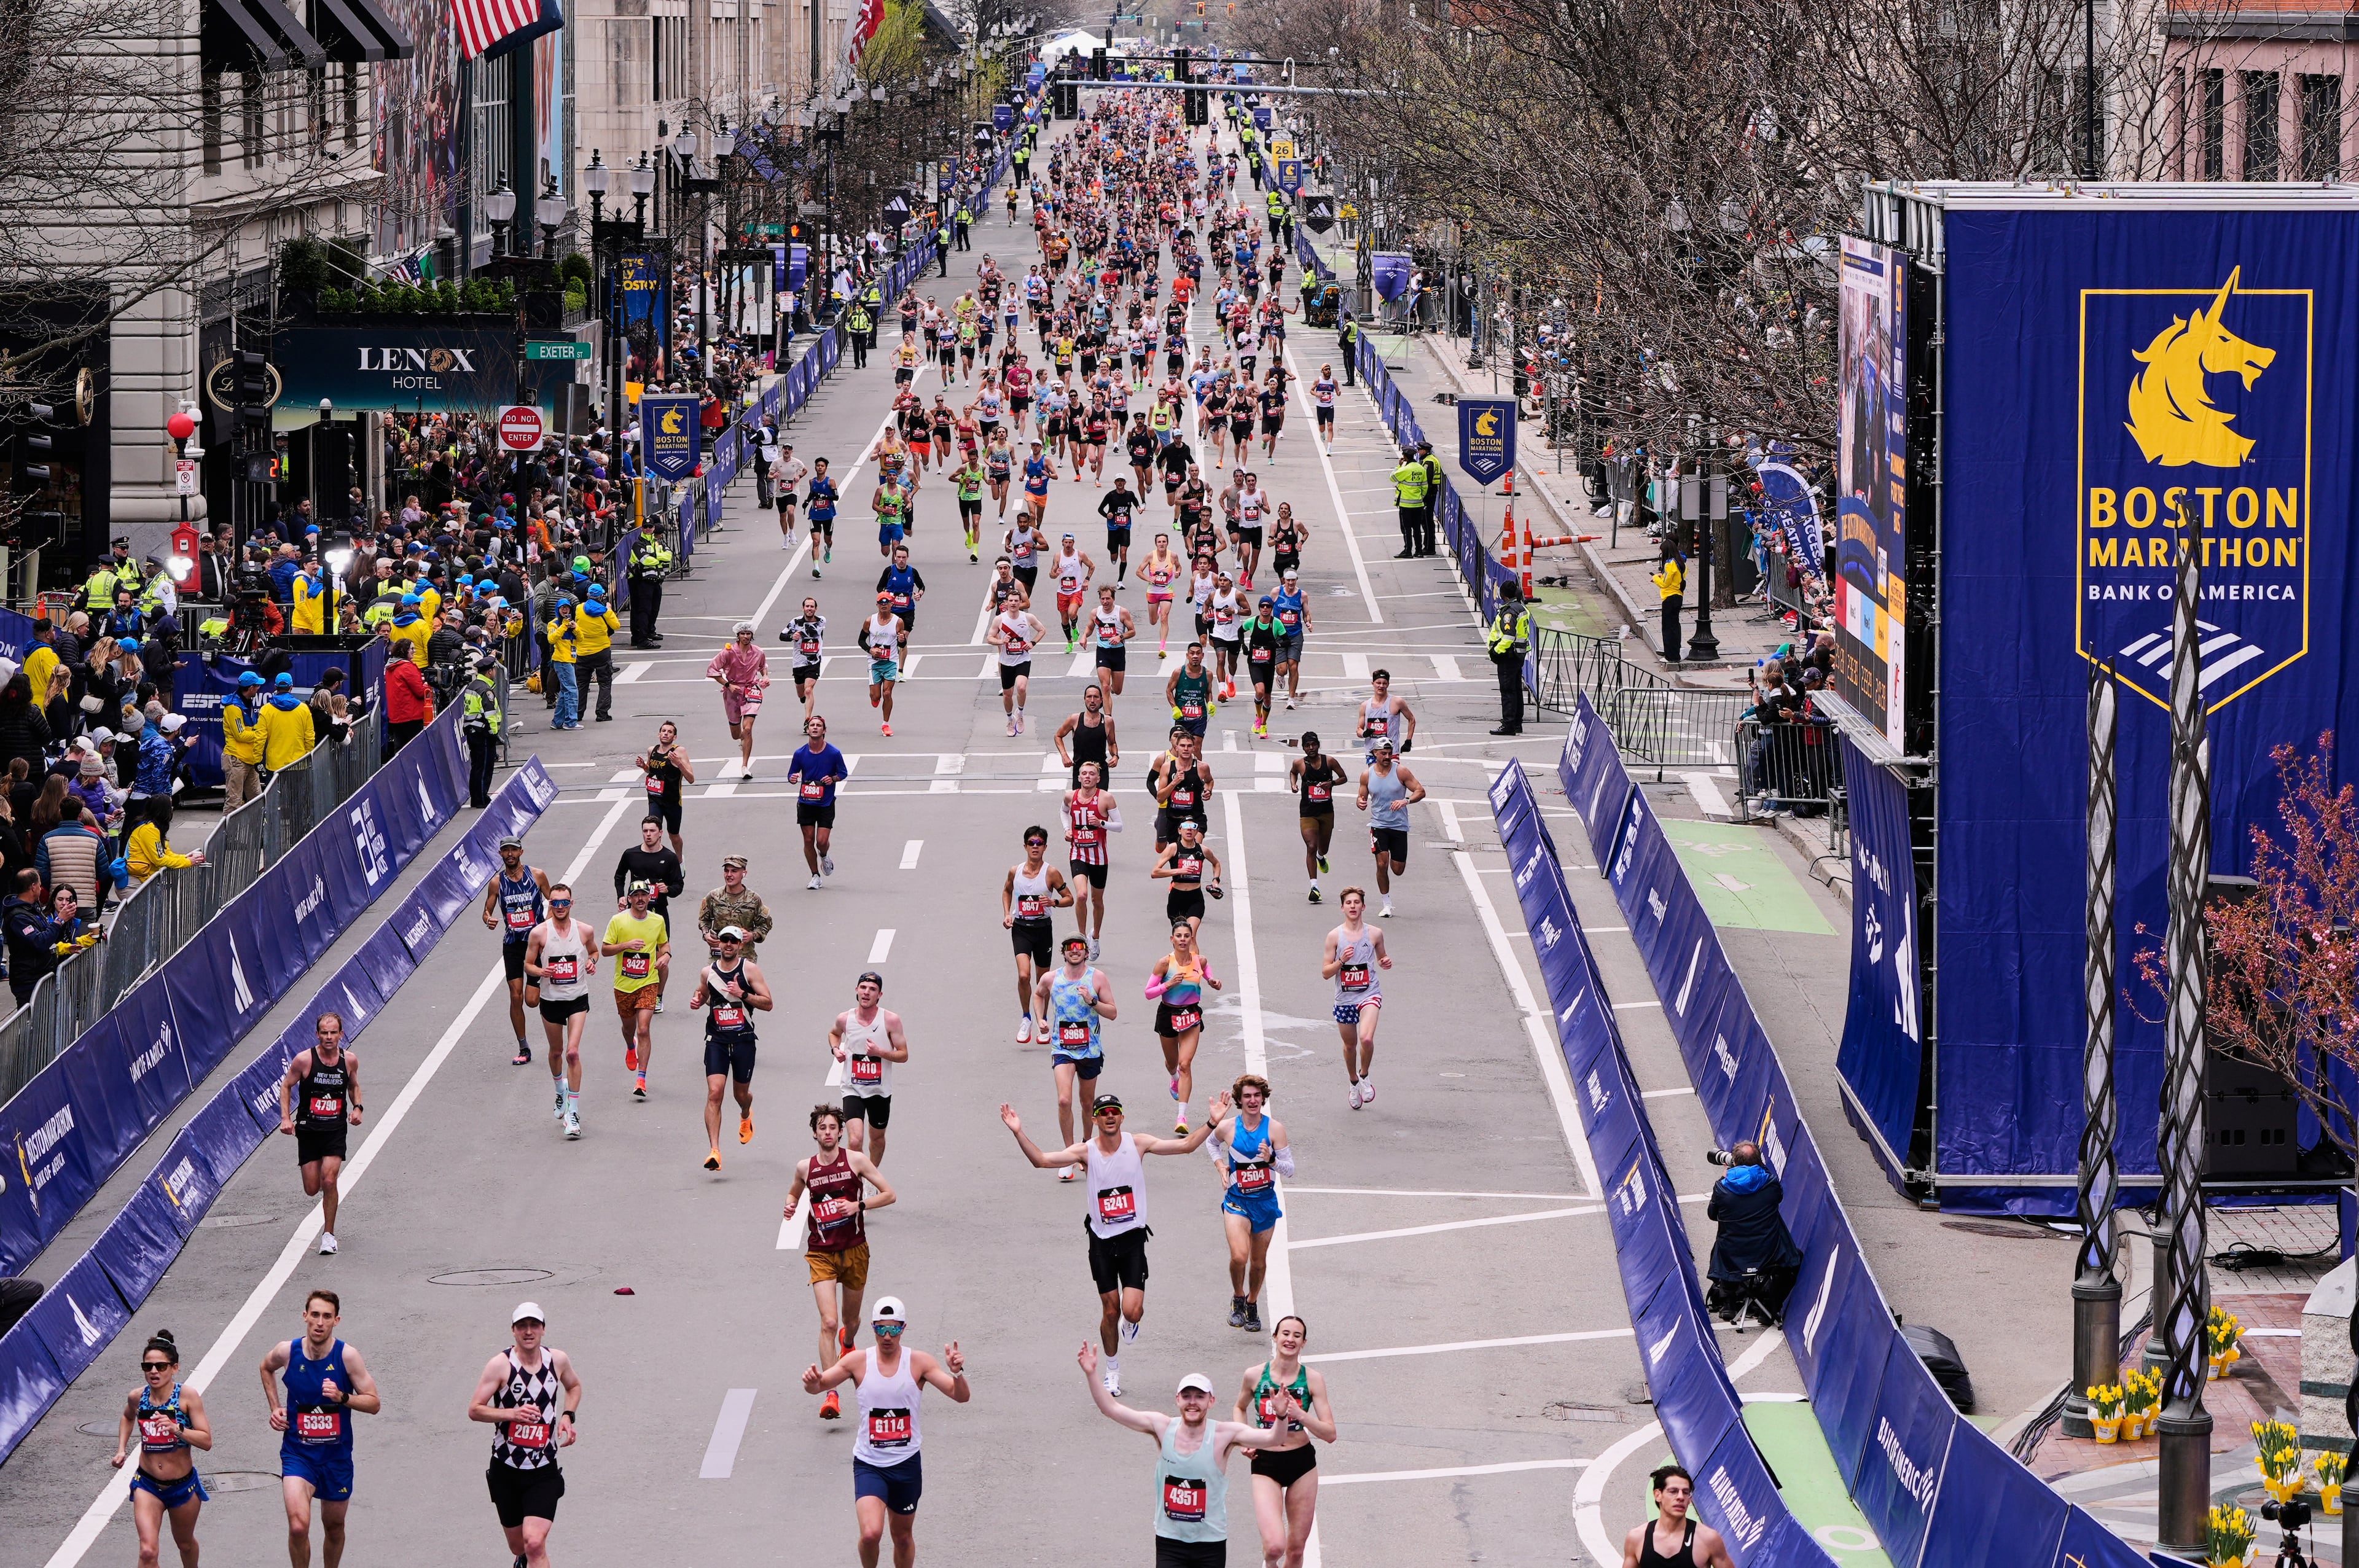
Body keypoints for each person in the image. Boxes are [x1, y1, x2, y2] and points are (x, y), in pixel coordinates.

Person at [1001, 1092, 1227, 1396]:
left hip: (1132, 1239)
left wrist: (1212, 1122)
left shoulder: (1139, 1144)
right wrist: (1018, 1132)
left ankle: (1130, 1324)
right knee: (1110, 1311)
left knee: (1131, 1311)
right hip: (1102, 1242)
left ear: (1122, 1117)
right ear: (1095, 1120)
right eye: (1103, 1113)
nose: (1109, 1116)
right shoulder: (1085, 1151)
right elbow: (1041, 1160)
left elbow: (1185, 1146)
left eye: (1114, 1112)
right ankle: (1112, 1371)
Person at [1078, 1346, 1294, 1567]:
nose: (1193, 1402)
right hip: (1170, 1541)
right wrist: (1091, 1373)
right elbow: (1111, 1409)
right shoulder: (1162, 1427)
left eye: (1200, 1397)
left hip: (1210, 1542)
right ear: (1178, 1400)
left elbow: (1274, 1438)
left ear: (1211, 1401)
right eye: (1187, 1396)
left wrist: (1281, 1415)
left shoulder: (1224, 1434)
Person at [800, 1298, 969, 1568]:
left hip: (906, 1465)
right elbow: (819, 1386)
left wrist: (957, 1374)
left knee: (902, 1538)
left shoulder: (919, 1363)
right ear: (872, 1328)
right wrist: (812, 1382)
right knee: (870, 1534)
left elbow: (960, 1396)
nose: (887, 1336)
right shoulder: (857, 1362)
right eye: (881, 1329)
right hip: (870, 1465)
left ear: (903, 1328)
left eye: (893, 1329)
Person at [786, 1105, 898, 1418]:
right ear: (815, 1133)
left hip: (854, 1250)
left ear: (839, 1133)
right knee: (829, 1322)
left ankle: (848, 1343)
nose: (828, 1133)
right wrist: (790, 1206)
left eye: (833, 1128)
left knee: (851, 1322)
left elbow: (890, 1194)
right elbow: (794, 1194)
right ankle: (831, 1393)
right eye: (822, 1128)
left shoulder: (855, 1161)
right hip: (821, 1253)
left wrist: (858, 1206)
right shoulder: (805, 1168)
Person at [261, 1289, 382, 1568]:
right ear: (305, 1316)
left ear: (336, 1321)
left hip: (336, 1458)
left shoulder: (347, 1356)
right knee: (298, 1527)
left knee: (334, 1526)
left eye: (327, 1317)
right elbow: (266, 1367)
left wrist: (343, 1397)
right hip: (298, 1454)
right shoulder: (287, 1351)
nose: (320, 1322)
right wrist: (275, 1407)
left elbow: (374, 1403)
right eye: (315, 1315)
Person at [467, 1303, 582, 1568]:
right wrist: (512, 1414)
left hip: (543, 1469)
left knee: (534, 1543)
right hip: (506, 1469)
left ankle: (530, 1556)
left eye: (534, 1326)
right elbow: (475, 1410)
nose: (528, 1331)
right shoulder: (501, 1365)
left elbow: (574, 1386)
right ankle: (522, 1559)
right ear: (513, 1331)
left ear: (543, 1329)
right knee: (519, 1545)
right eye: (522, 1326)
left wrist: (568, 1415)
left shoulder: (557, 1360)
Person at [1234, 1317, 1338, 1568]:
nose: (1290, 1339)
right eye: (1286, 1334)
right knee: (1274, 1548)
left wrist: (1301, 1415)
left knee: (1295, 1550)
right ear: (1275, 1337)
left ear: (1304, 1343)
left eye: (1297, 1336)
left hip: (1301, 1463)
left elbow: (1330, 1433)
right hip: (1265, 1461)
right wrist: (1244, 1438)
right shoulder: (1254, 1375)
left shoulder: (1312, 1380)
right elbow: (1239, 1407)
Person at [112, 1330, 212, 1568]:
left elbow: (206, 1441)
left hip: (182, 1487)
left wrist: (177, 1429)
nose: (154, 1372)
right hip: (147, 1484)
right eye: (148, 1367)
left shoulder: (187, 1397)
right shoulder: (137, 1397)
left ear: (175, 1368)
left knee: (185, 1544)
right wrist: (121, 1449)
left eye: (161, 1366)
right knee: (147, 1552)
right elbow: (127, 1417)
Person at [1208, 1074, 1294, 1332]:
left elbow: (1290, 1169)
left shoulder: (1275, 1129)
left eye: (1257, 1095)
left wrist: (1272, 1161)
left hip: (1265, 1203)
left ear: (1263, 1098)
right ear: (1239, 1100)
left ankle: (1252, 1303)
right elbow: (1211, 1144)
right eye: (1247, 1096)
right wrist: (1220, 1165)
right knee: (1239, 1256)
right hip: (1237, 1202)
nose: (1253, 1100)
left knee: (1258, 1262)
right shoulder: (1228, 1128)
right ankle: (1238, 1296)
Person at [278, 1012, 361, 1255]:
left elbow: (354, 1086)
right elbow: (286, 1086)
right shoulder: (304, 1060)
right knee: (312, 1188)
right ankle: (326, 1223)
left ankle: (329, 1236)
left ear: (341, 1034)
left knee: (329, 1180)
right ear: (317, 1034)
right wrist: (286, 1118)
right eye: (324, 1033)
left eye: (333, 1032)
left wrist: (358, 1108)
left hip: (335, 1130)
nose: (329, 1037)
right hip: (308, 1130)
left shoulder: (349, 1060)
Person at [690, 925, 773, 1171]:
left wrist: (742, 994)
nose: (728, 945)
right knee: (715, 1093)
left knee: (740, 1095)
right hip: (716, 1040)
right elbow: (703, 994)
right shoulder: (708, 972)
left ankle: (746, 1113)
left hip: (743, 1040)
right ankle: (714, 1151)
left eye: (733, 941)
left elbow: (768, 1003)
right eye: (724, 940)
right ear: (719, 943)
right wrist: (697, 1000)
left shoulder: (749, 970)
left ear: (740, 945)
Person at [523, 884, 598, 1140]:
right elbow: (528, 964)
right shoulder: (539, 933)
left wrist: (592, 962)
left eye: (564, 902)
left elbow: (594, 951)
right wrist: (541, 972)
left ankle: (573, 1113)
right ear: (550, 905)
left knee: (572, 1053)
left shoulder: (585, 930)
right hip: (551, 1000)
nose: (560, 907)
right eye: (555, 903)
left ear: (571, 903)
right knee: (556, 1052)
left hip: (577, 999)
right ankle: (560, 1090)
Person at [1035, 932, 1116, 1164]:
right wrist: (1040, 1019)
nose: (1074, 950)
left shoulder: (1097, 978)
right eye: (1069, 947)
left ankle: (1086, 1147)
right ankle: (1069, 1153)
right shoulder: (1051, 978)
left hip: (1090, 1049)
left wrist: (1092, 1001)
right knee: (1064, 1100)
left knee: (1087, 1104)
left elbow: (1112, 1013)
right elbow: (1038, 995)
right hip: (1062, 1048)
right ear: (1063, 952)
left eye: (1079, 946)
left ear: (1086, 952)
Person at [1704, 1141, 1803, 1323]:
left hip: (1732, 1257)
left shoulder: (1722, 1188)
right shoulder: (1771, 1185)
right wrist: (1760, 1165)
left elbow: (1712, 1215)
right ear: (1758, 1162)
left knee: (1725, 1243)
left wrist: (1725, 1178)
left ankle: (1728, 1303)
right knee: (1795, 1259)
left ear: (1734, 1162)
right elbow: (1778, 1194)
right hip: (1768, 1256)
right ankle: (1769, 1308)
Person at [1146, 919, 1221, 1133]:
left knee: (1185, 1064)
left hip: (1190, 1016)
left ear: (1191, 939)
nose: (1183, 940)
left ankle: (1182, 1117)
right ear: (1172, 940)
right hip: (1168, 1015)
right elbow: (1148, 993)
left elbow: (1210, 976)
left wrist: (1213, 982)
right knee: (1173, 1064)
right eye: (1179, 936)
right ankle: (1174, 1078)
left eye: (1186, 936)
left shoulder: (1200, 960)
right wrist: (1168, 985)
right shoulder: (1164, 964)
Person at [483, 835, 552, 1066]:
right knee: (515, 996)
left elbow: (554, 900)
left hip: (535, 944)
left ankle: (548, 995)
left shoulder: (537, 875)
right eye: (506, 851)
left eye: (514, 850)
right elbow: (486, 911)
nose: (510, 854)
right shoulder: (497, 883)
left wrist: (547, 925)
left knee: (532, 1001)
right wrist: (489, 919)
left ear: (521, 852)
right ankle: (524, 1047)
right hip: (512, 944)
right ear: (501, 854)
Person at [1003, 824, 1075, 1042]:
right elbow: (1007, 891)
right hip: (1021, 928)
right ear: (1025, 846)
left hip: (1043, 929)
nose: (1035, 847)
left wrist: (1054, 902)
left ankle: (1042, 1021)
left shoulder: (1051, 873)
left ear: (1045, 847)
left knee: (1043, 979)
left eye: (1039, 843)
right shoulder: (1015, 871)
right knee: (1024, 975)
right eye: (1031, 843)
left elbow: (1069, 898)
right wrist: (1007, 914)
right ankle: (1026, 1018)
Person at [1323, 888, 1392, 1109]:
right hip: (1345, 999)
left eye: (1356, 902)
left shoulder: (1375, 934)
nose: (1353, 906)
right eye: (1349, 903)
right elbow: (1325, 973)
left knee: (1367, 1039)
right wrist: (1341, 961)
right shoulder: (1335, 936)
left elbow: (1382, 957)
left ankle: (1365, 1075)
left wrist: (1385, 962)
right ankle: (1354, 1082)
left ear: (1363, 907)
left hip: (1369, 993)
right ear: (1342, 908)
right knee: (1350, 1046)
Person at [830, 969, 909, 1163]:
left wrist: (880, 1053)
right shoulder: (844, 1018)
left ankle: (872, 1174)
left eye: (872, 989)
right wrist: (836, 1050)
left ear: (880, 995)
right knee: (855, 1140)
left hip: (879, 1090)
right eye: (863, 988)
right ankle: (857, 1177)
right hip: (852, 1088)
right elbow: (834, 1034)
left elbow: (903, 1055)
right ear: (856, 990)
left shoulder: (890, 1020)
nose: (866, 992)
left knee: (877, 1139)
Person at [603, 878, 670, 1100]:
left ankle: (641, 1078)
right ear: (629, 899)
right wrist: (626, 945)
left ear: (649, 897)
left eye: (644, 895)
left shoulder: (658, 921)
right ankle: (630, 1047)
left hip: (648, 983)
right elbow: (605, 950)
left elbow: (664, 944)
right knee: (628, 1028)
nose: (640, 899)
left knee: (643, 1029)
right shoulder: (618, 921)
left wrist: (666, 956)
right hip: (624, 985)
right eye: (636, 895)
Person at [1356, 739, 1424, 916]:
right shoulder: (1367, 775)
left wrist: (1406, 801)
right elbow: (1361, 797)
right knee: (1382, 863)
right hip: (1378, 825)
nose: (1387, 757)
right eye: (1383, 754)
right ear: (1375, 754)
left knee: (1398, 870)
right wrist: (1360, 803)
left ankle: (1388, 900)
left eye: (1389, 753)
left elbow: (1420, 791)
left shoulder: (1401, 771)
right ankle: (1387, 904)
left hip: (1399, 826)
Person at [1621, 1465, 1736, 1568]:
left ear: (1690, 1499)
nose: (1681, 1497)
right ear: (1658, 1495)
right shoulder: (1637, 1538)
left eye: (1686, 1492)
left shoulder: (1708, 1539)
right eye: (1673, 1491)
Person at [1062, 759, 1119, 958]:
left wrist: (1102, 823)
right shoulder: (1070, 796)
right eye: (1084, 773)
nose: (1087, 777)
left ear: (1098, 779)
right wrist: (1067, 829)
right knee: (1081, 896)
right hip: (1078, 853)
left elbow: (1119, 825)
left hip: (1099, 857)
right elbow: (1063, 812)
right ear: (1079, 778)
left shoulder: (1106, 798)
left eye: (1091, 774)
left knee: (1097, 900)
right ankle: (1081, 937)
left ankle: (1095, 936)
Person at [788, 715, 850, 889]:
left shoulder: (833, 753)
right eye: (812, 725)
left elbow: (843, 773)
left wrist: (833, 779)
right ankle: (815, 875)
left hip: (826, 803)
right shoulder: (800, 753)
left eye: (818, 725)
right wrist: (793, 778)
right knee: (808, 840)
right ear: (808, 730)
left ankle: (824, 855)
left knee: (821, 841)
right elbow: (792, 773)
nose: (815, 728)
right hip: (806, 802)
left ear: (824, 731)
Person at [1289, 734, 1347, 905]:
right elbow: (1293, 773)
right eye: (1307, 745)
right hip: (1308, 812)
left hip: (1326, 812)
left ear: (1318, 745)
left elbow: (1344, 777)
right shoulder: (1299, 764)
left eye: (1314, 745)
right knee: (1311, 846)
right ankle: (1314, 887)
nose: (1311, 748)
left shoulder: (1329, 761)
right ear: (1303, 748)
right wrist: (1293, 784)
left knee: (1323, 848)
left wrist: (1332, 784)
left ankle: (1321, 857)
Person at [708, 623, 771, 781]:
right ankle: (742, 740)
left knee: (748, 729)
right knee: (736, 734)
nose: (746, 636)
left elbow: (763, 666)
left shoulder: (758, 652)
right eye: (743, 634)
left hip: (752, 690)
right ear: (738, 636)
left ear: (752, 635)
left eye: (748, 634)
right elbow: (713, 670)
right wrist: (728, 685)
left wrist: (765, 676)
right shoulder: (728, 652)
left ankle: (745, 766)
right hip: (732, 693)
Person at [695, 854, 775, 961]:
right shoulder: (713, 897)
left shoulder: (754, 899)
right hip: (719, 957)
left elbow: (765, 925)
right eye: (726, 871)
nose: (729, 875)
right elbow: (703, 920)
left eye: (734, 871)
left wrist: (752, 935)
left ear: (744, 873)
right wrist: (706, 935)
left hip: (744, 957)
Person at [635, 721, 695, 859]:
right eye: (664, 731)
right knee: (653, 830)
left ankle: (679, 860)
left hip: (672, 801)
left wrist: (679, 763)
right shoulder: (652, 750)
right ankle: (655, 861)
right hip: (655, 799)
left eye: (670, 732)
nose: (666, 734)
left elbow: (691, 779)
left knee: (674, 835)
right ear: (659, 734)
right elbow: (651, 770)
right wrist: (644, 766)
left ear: (675, 737)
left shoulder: (679, 752)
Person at [987, 597, 1044, 738]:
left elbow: (1042, 630)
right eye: (1011, 601)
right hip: (1006, 662)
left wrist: (1033, 643)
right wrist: (1001, 641)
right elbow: (990, 638)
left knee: (1021, 687)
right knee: (1007, 694)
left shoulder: (1028, 617)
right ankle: (1010, 720)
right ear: (1006, 603)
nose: (1013, 603)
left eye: (1016, 601)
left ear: (1020, 603)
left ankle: (1020, 713)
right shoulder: (999, 620)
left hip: (1023, 660)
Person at [858, 595, 907, 738]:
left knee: (887, 693)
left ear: (892, 604)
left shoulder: (898, 622)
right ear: (877, 605)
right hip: (874, 662)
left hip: (891, 662)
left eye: (887, 602)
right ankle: (875, 698)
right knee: (876, 696)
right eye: (881, 603)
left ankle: (885, 724)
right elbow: (861, 641)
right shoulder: (870, 621)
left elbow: (902, 644)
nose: (884, 605)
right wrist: (871, 650)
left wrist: (902, 640)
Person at [1489, 582, 1533, 735]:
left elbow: (1509, 636)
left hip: (1508, 655)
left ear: (1504, 595)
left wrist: (1496, 651)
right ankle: (1516, 723)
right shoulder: (1521, 608)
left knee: (1508, 690)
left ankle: (1508, 724)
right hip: (1518, 654)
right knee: (1516, 690)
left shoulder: (1509, 612)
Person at [780, 596, 829, 720]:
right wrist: (792, 636)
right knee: (801, 693)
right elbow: (781, 636)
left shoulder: (821, 621)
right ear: (803, 608)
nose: (809, 609)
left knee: (808, 690)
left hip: (814, 661)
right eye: (807, 606)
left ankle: (807, 719)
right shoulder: (795, 622)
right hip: (799, 662)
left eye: (812, 607)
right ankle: (803, 698)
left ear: (816, 609)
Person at [1354, 669, 1415, 760]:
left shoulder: (1397, 702)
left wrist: (1408, 741)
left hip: (1391, 752)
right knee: (1374, 770)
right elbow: (1359, 730)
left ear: (1388, 685)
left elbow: (1411, 719)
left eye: (1384, 683)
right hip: (1372, 751)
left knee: (1393, 770)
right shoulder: (1365, 705)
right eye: (1378, 683)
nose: (1381, 686)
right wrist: (1364, 733)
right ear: (1373, 684)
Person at [1389, 447, 1428, 559]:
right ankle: (1419, 551)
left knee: (1406, 529)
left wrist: (1399, 466)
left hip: (1406, 504)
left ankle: (1408, 550)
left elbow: (1392, 477)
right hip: (1418, 504)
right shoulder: (1421, 468)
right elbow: (1425, 486)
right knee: (1417, 528)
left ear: (1405, 457)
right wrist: (1420, 497)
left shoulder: (1405, 470)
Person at [1651, 544, 1685, 668]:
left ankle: (1671, 656)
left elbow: (1665, 584)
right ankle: (1675, 652)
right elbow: (1675, 578)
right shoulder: (1680, 562)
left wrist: (1656, 578)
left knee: (1668, 628)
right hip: (1678, 596)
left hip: (1669, 597)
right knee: (1675, 626)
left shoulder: (1669, 564)